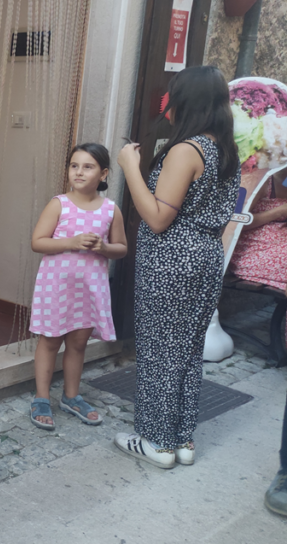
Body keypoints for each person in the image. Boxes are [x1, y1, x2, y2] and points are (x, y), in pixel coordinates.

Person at [115, 65, 241, 469]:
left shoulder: (187, 150)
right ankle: (181, 438)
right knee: (186, 351)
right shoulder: (224, 147)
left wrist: (130, 167)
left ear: (186, 101)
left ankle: (156, 443)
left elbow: (156, 216)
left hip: (172, 259)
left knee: (157, 350)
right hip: (204, 255)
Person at [27, 143, 127, 430]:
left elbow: (121, 248)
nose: (79, 172)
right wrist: (70, 242)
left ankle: (71, 396)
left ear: (103, 173)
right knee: (49, 340)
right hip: (55, 286)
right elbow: (38, 242)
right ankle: (41, 397)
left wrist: (104, 247)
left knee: (79, 342)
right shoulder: (59, 204)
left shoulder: (110, 210)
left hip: (89, 288)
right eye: (74, 165)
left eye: (88, 166)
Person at [229, 168, 287, 290]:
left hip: (280, 243)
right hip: (252, 249)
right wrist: (277, 212)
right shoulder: (261, 180)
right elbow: (234, 223)